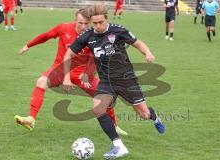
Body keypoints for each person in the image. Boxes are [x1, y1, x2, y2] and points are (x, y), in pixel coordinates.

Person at [63, 4, 165, 159]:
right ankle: (119, 146)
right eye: (94, 23)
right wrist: (66, 77)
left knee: (143, 114)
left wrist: (148, 53)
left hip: (126, 79)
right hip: (106, 81)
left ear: (106, 19)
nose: (98, 26)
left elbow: (138, 43)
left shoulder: (118, 30)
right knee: (98, 109)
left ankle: (154, 117)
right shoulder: (87, 36)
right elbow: (68, 54)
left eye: (101, 22)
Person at [14, 8, 127, 136]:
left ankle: (114, 126)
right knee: (41, 82)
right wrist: (28, 45)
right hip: (59, 69)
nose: (83, 26)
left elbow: (93, 60)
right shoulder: (63, 28)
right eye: (80, 23)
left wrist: (86, 75)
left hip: (81, 73)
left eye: (86, 23)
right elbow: (46, 36)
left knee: (105, 96)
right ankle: (31, 119)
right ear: (75, 20)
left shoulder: (94, 36)